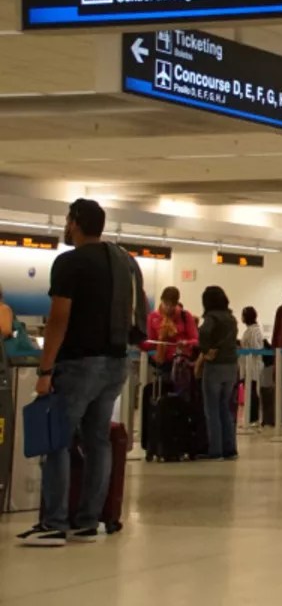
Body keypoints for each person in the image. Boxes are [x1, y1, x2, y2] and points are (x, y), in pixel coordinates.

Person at [18, 198, 144, 547]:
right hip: (117, 363)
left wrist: (45, 369)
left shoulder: (69, 263)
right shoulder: (123, 262)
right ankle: (89, 521)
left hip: (79, 364)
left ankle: (54, 523)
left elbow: (59, 318)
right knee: (97, 440)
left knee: (57, 440)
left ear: (74, 222)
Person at [196, 286, 239, 461]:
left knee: (212, 409)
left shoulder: (211, 317)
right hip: (231, 366)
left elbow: (204, 332)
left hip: (215, 366)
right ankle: (230, 448)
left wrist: (206, 350)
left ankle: (215, 450)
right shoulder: (231, 318)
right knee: (225, 408)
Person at [143, 286, 198, 365]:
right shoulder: (152, 317)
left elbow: (196, 340)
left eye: (172, 305)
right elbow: (150, 343)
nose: (168, 308)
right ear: (161, 300)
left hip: (181, 361)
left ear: (176, 304)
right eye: (166, 304)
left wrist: (186, 343)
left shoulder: (185, 316)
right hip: (161, 362)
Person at [239, 307, 265, 425]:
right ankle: (250, 417)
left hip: (253, 365)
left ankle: (253, 418)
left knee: (253, 392)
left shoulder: (254, 331)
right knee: (250, 391)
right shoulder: (250, 330)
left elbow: (256, 348)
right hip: (247, 365)